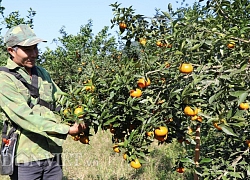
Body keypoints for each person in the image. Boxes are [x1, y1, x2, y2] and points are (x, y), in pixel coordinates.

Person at [0, 24, 86, 180]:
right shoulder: (4, 79)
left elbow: (60, 100)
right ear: (11, 50)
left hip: (52, 153)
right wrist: (65, 129)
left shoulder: (41, 73)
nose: (34, 54)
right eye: (28, 49)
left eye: (35, 48)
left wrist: (84, 110)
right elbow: (24, 116)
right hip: (26, 157)